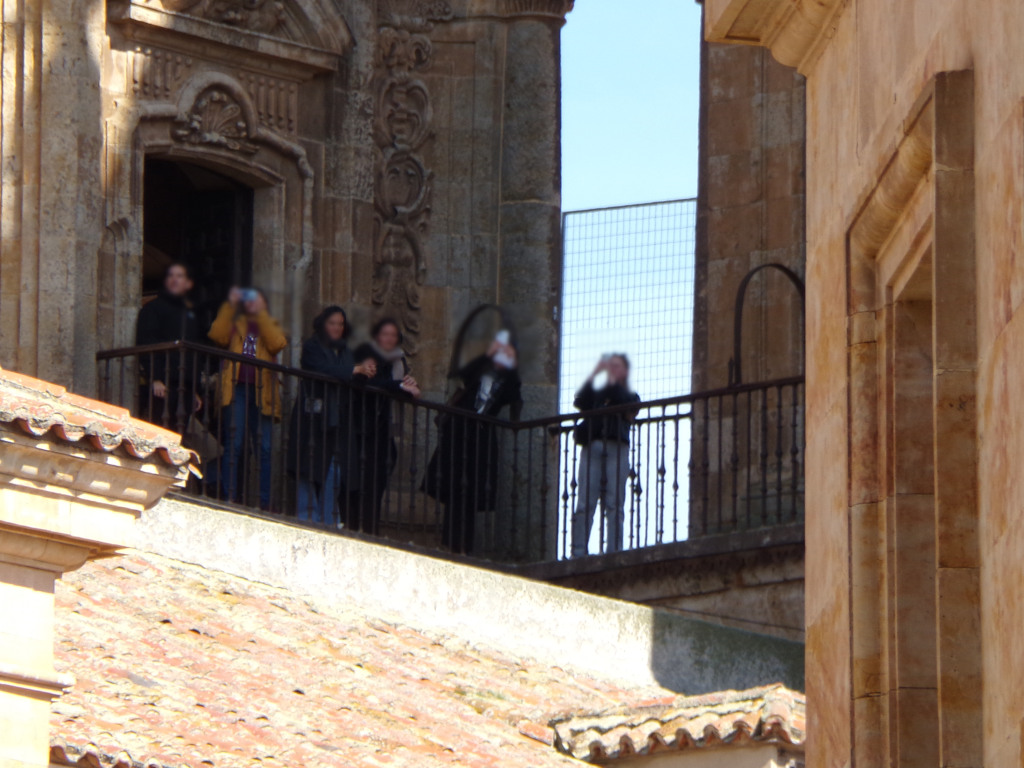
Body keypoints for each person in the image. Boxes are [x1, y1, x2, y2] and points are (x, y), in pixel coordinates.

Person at [424, 331, 522, 555]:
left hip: (480, 441)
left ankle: (463, 548)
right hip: (459, 435)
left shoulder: (508, 380)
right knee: (454, 491)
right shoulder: (480, 369)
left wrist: (513, 364)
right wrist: (488, 354)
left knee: (470, 494)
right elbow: (461, 374)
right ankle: (449, 544)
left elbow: (515, 398)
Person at [288, 306, 375, 527]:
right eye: (332, 323)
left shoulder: (345, 350)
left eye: (340, 324)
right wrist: (354, 370)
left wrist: (365, 373)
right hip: (313, 419)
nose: (336, 327)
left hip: (337, 421)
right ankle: (307, 518)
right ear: (323, 324)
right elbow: (322, 369)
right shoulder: (312, 346)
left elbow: (350, 379)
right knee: (308, 469)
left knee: (334, 471)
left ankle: (328, 520)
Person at [207, 286, 287, 508]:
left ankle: (264, 502)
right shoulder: (235, 320)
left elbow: (277, 343)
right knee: (235, 443)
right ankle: (229, 496)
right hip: (236, 389)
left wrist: (261, 316)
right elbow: (217, 336)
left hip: (263, 392)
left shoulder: (269, 323)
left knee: (265, 447)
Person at [347, 318, 421, 534]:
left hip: (381, 427)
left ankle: (370, 527)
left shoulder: (398, 361)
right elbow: (371, 382)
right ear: (377, 336)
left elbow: (405, 386)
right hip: (361, 425)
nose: (389, 339)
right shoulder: (366, 353)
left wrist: (411, 386)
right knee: (358, 479)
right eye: (385, 334)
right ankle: (354, 524)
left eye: (393, 335)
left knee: (378, 477)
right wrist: (400, 386)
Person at [570, 353, 640, 558]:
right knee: (584, 503)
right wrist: (594, 374)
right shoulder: (597, 394)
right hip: (593, 447)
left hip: (617, 448)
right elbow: (580, 400)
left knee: (614, 504)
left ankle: (614, 552)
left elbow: (631, 408)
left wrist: (613, 390)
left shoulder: (629, 394)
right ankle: (578, 552)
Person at [134, 262, 205, 429]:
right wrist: (155, 378)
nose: (174, 280)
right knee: (159, 430)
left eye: (179, 276)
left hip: (185, 386)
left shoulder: (190, 315)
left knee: (179, 432)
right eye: (171, 276)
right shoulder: (153, 308)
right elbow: (147, 342)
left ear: (188, 283)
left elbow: (195, 350)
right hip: (163, 383)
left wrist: (195, 389)